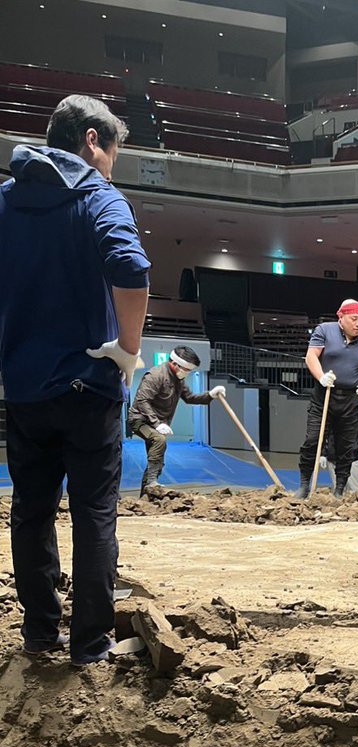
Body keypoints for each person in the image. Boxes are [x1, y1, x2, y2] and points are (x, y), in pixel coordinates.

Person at [0, 94, 150, 665]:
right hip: (90, 386)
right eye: (113, 150)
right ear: (92, 141)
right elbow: (132, 270)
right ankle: (90, 644)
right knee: (94, 515)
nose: (114, 164)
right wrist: (129, 350)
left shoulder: (7, 201)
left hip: (26, 389)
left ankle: (40, 635)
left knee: (31, 511)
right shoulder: (96, 195)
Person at [299, 299, 358, 498]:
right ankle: (304, 485)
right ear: (341, 317)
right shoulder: (324, 330)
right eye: (354, 319)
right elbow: (311, 355)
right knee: (312, 440)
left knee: (346, 447)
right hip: (324, 396)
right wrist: (321, 376)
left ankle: (339, 490)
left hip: (350, 400)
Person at [127, 346, 223, 496]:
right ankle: (151, 483)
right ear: (175, 363)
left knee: (158, 461)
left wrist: (210, 395)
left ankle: (146, 497)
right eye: (186, 369)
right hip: (140, 419)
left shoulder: (179, 379)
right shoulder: (156, 375)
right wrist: (157, 423)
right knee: (158, 440)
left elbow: (190, 398)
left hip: (157, 423)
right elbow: (142, 400)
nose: (187, 373)